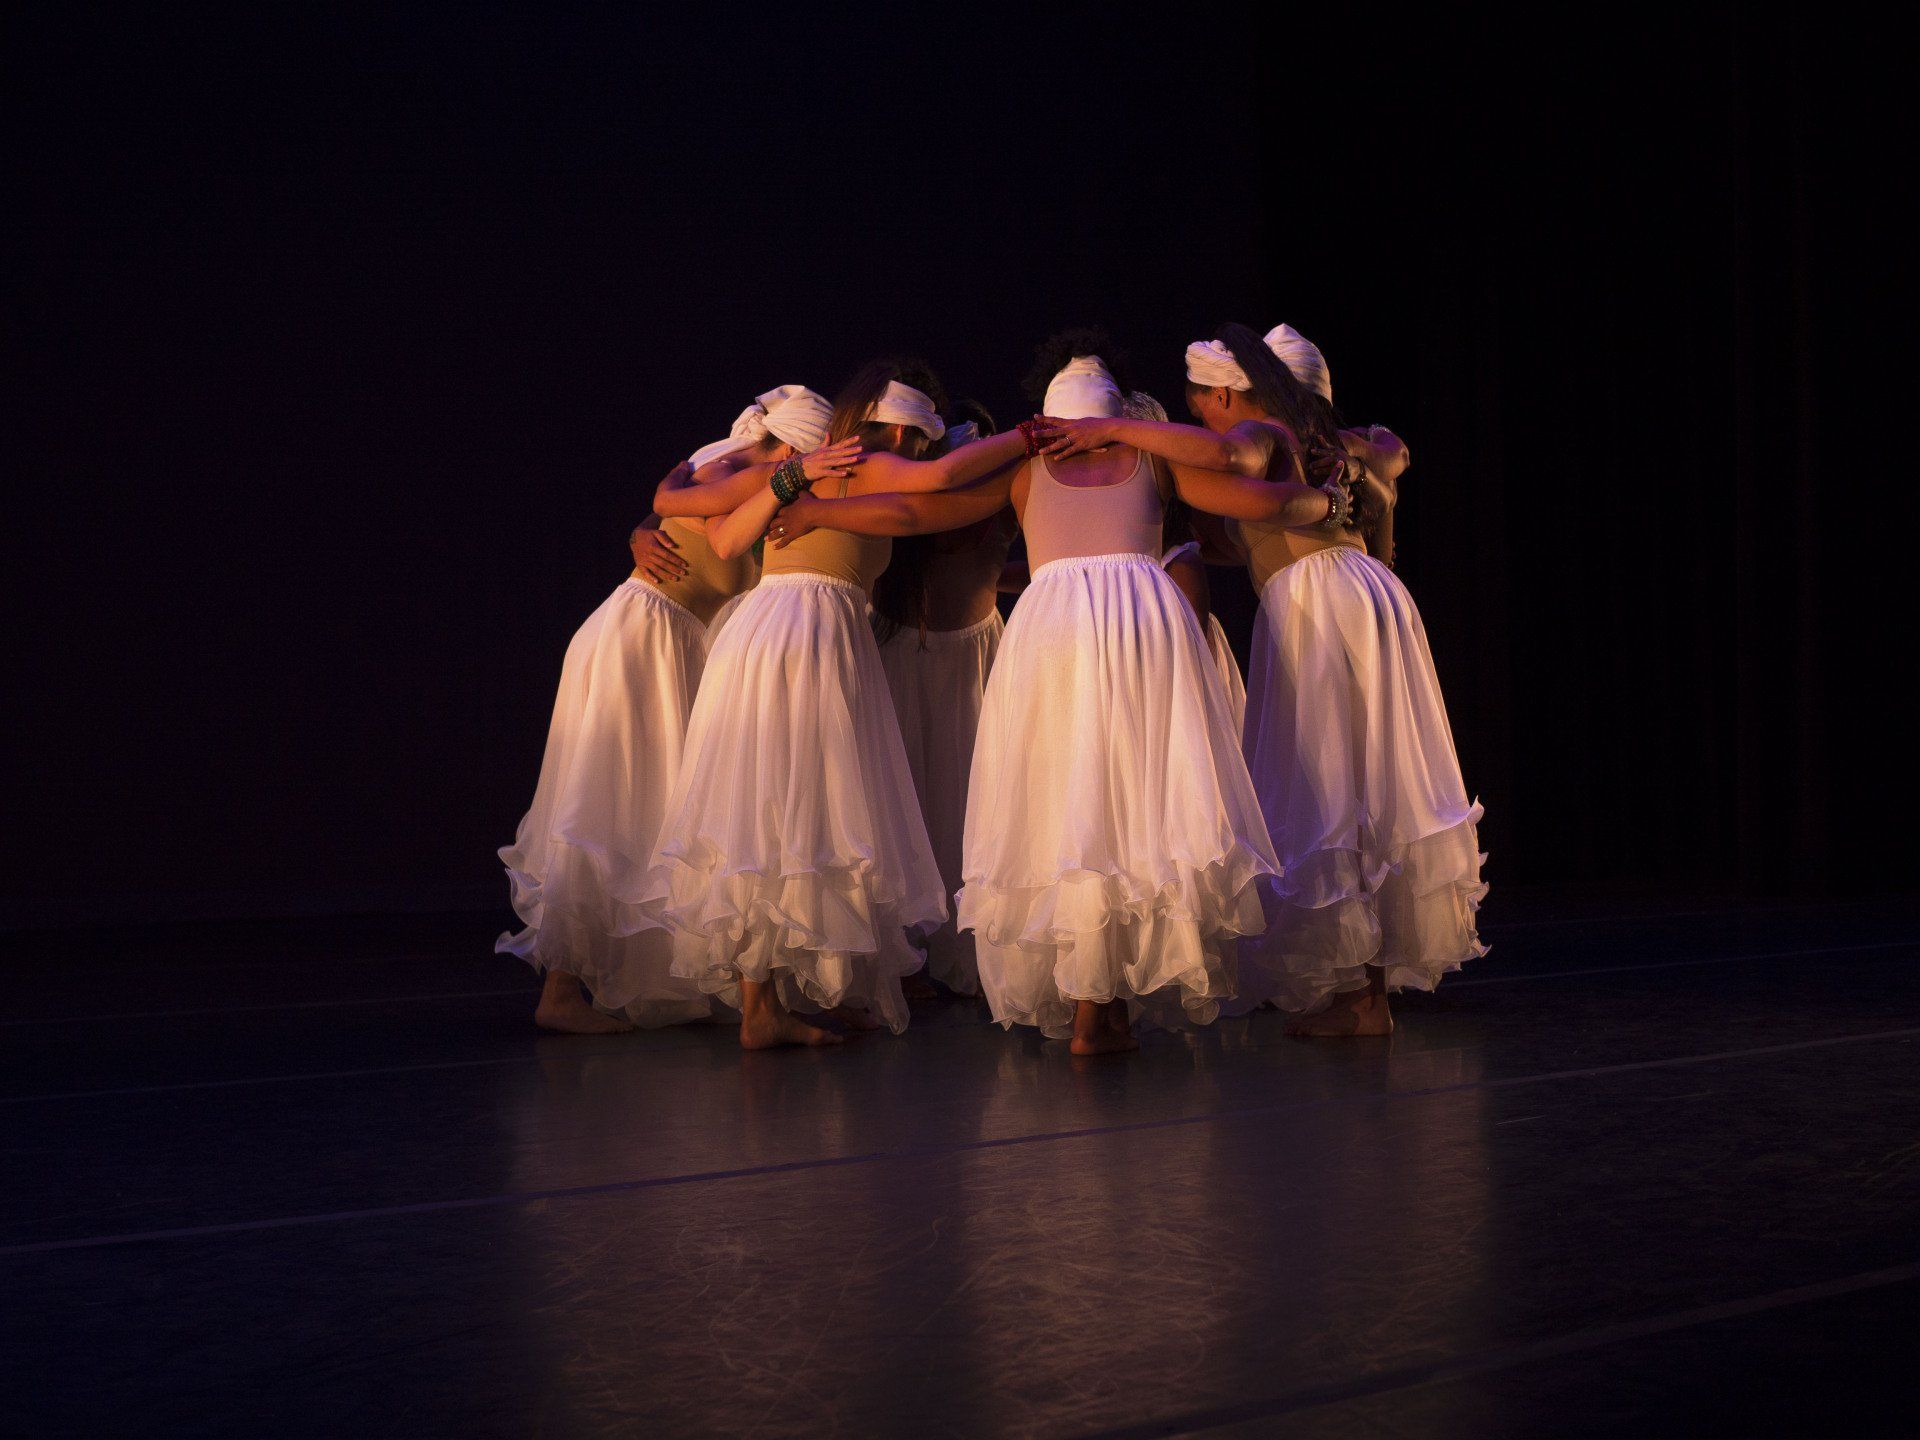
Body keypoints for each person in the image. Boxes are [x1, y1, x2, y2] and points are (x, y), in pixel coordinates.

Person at [774, 343, 1308, 1054]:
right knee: (1131, 808)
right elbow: (1254, 495)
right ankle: (1101, 1002)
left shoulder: (1026, 471)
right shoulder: (1150, 460)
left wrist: (814, 511)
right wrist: (1329, 500)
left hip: (1055, 635)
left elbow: (911, 512)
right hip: (1139, 632)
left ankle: (1096, 1003)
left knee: (1071, 808)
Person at [1043, 324, 1485, 1037]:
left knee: (1333, 787)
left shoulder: (1260, 431)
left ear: (1223, 391)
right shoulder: (1336, 441)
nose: (1201, 421)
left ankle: (1362, 998)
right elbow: (1372, 472)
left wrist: (1119, 429)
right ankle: (1363, 988)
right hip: (1369, 592)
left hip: (1318, 605)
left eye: (1201, 406)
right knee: (1370, 785)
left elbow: (1229, 452)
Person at [639, 362, 1037, 1049]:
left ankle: (786, 996)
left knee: (792, 812)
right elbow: (941, 484)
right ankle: (763, 1009)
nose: (919, 456)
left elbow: (729, 535)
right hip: (809, 637)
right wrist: (1033, 439)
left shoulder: (812, 466)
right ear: (899, 431)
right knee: (786, 814)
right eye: (918, 440)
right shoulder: (870, 464)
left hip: (771, 635)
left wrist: (791, 482)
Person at [496, 386, 841, 1033]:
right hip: (644, 636)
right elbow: (679, 507)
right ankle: (560, 993)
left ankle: (665, 983)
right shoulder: (754, 470)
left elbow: (674, 508)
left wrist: (644, 527)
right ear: (797, 446)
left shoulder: (740, 468)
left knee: (643, 811)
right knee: (602, 804)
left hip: (660, 636)